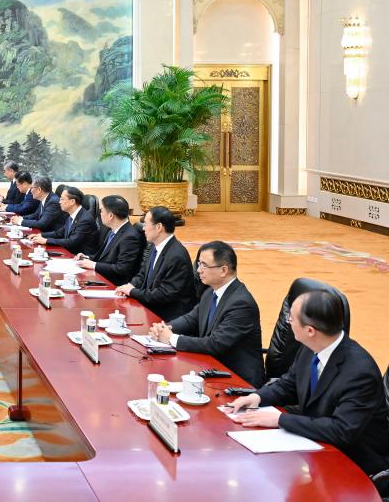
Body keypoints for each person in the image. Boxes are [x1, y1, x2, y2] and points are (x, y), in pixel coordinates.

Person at [227, 290, 389, 495]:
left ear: (310, 330)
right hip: (315, 444)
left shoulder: (359, 372)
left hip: (353, 463)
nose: (288, 322)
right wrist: (257, 397)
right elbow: (290, 383)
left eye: (291, 318)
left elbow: (342, 431)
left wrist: (280, 420)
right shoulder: (311, 346)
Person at [148, 241, 265, 388]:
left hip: (239, 381)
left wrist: (172, 338)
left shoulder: (241, 303)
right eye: (199, 264)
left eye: (204, 265)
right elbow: (190, 319)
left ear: (223, 270)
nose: (198, 270)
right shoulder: (210, 293)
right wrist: (164, 328)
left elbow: (215, 344)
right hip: (213, 369)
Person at [114, 206, 195, 322]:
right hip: (152, 307)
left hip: (168, 317)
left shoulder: (176, 256)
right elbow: (143, 275)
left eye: (146, 224)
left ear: (159, 227)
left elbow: (164, 294)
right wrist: (129, 286)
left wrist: (132, 292)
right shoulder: (154, 246)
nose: (143, 229)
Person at [74, 195, 145, 286]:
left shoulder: (130, 237)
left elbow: (122, 269)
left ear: (110, 215)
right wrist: (87, 258)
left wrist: (93, 265)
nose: (100, 214)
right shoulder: (112, 230)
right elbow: (104, 257)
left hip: (113, 284)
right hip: (101, 277)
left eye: (102, 211)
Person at [32, 186, 99, 256]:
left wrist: (46, 241)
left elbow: (72, 242)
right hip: (69, 252)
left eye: (62, 199)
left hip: (80, 256)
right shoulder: (72, 215)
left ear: (72, 201)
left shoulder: (85, 219)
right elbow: (59, 233)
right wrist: (40, 235)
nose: (59, 202)